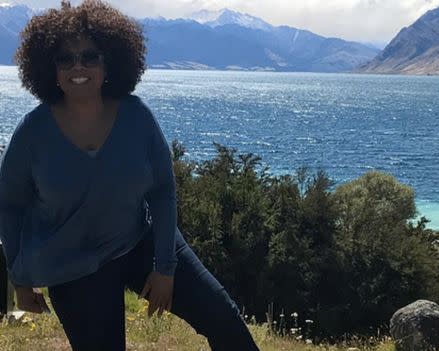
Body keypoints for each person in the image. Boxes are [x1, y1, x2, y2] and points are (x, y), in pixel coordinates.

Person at [0, 1, 260, 350]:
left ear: (109, 63)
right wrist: (19, 279)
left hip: (140, 242)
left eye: (90, 56)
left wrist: (165, 267)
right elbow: (9, 204)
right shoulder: (33, 133)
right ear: (51, 69)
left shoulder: (136, 117)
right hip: (72, 267)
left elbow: (163, 190)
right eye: (66, 58)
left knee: (224, 320)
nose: (79, 66)